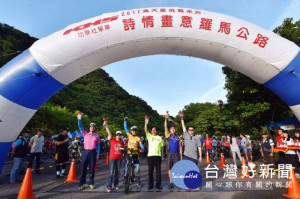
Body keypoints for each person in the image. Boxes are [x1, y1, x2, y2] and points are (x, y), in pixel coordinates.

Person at [77, 114, 100, 190]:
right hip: (86, 152)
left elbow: (98, 145)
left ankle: (91, 183)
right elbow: (80, 126)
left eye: (93, 127)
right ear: (89, 128)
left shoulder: (97, 135)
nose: (92, 128)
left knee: (92, 169)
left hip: (93, 152)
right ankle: (82, 183)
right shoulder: (85, 133)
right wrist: (79, 119)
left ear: (95, 128)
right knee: (83, 168)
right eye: (91, 126)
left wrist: (98, 153)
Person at [123, 117, 144, 188]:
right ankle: (125, 180)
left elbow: (141, 145)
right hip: (129, 154)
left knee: (137, 169)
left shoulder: (138, 138)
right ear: (131, 131)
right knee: (126, 168)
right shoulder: (129, 135)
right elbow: (125, 128)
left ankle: (138, 181)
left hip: (136, 154)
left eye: (135, 130)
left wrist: (142, 149)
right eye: (133, 130)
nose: (134, 131)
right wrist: (125, 121)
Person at [103, 120, 124, 193]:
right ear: (115, 135)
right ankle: (109, 186)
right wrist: (106, 126)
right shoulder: (112, 140)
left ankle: (116, 184)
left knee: (117, 172)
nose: (118, 136)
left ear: (121, 136)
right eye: (117, 134)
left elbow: (122, 149)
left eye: (119, 134)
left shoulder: (122, 142)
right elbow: (109, 133)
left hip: (119, 158)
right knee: (111, 172)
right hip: (112, 158)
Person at [145, 116, 164, 191]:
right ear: (151, 131)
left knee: (158, 172)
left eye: (155, 130)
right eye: (152, 130)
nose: (154, 131)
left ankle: (158, 185)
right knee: (150, 171)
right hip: (150, 156)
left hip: (158, 156)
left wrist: (162, 155)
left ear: (156, 131)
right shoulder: (149, 136)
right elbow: (145, 130)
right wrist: (146, 122)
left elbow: (162, 147)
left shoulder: (160, 138)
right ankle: (150, 185)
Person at [164, 113, 182, 190]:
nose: (173, 129)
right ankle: (171, 182)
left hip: (177, 154)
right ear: (170, 130)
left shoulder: (178, 138)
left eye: (174, 128)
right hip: (169, 154)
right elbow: (165, 126)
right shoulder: (168, 135)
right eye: (171, 129)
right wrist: (166, 119)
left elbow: (180, 147)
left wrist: (181, 156)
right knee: (169, 168)